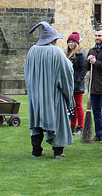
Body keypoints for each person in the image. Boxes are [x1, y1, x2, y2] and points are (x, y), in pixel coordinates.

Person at [24, 21, 75, 159]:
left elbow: (27, 74)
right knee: (57, 120)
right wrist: (68, 96)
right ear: (52, 39)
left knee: (36, 122)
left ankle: (36, 150)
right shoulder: (56, 52)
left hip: (36, 95)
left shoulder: (32, 51)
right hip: (53, 96)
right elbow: (66, 74)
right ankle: (58, 151)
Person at [66, 32, 88, 135]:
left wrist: (77, 80)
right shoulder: (68, 54)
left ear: (76, 43)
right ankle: (72, 125)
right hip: (69, 84)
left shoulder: (80, 54)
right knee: (71, 106)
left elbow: (84, 69)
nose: (70, 44)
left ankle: (80, 126)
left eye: (72, 42)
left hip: (77, 85)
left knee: (78, 105)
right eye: (69, 42)